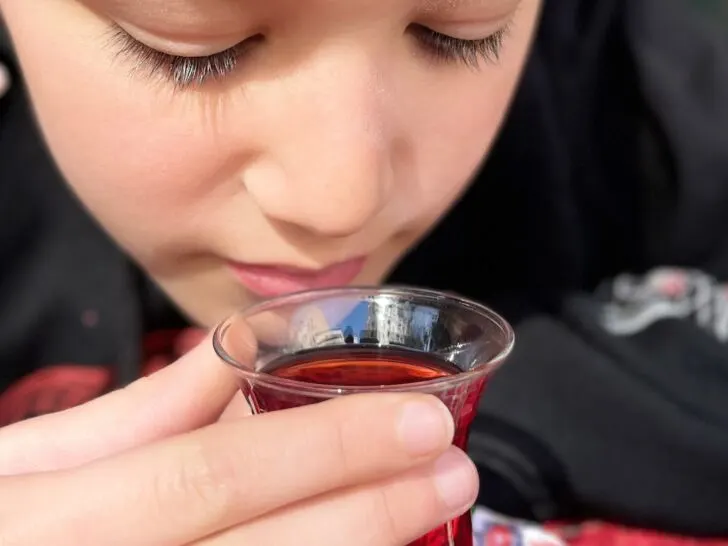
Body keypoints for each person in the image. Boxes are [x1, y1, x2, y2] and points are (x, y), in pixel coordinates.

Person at [2, 0, 728, 543]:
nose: (340, 203)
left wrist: (507, 423)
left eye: (462, 31)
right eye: (195, 51)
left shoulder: (637, 105)